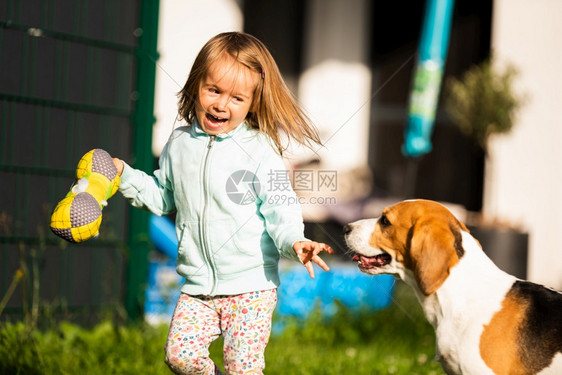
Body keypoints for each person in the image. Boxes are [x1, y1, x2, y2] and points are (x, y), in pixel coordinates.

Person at [112, 32, 333, 374]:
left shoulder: (260, 150)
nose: (221, 105)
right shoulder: (179, 143)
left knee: (242, 368)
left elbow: (280, 208)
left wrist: (295, 242)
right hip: (198, 286)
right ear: (196, 85)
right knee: (180, 357)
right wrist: (124, 175)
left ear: (252, 103)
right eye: (213, 90)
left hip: (251, 289)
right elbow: (161, 196)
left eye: (236, 98)